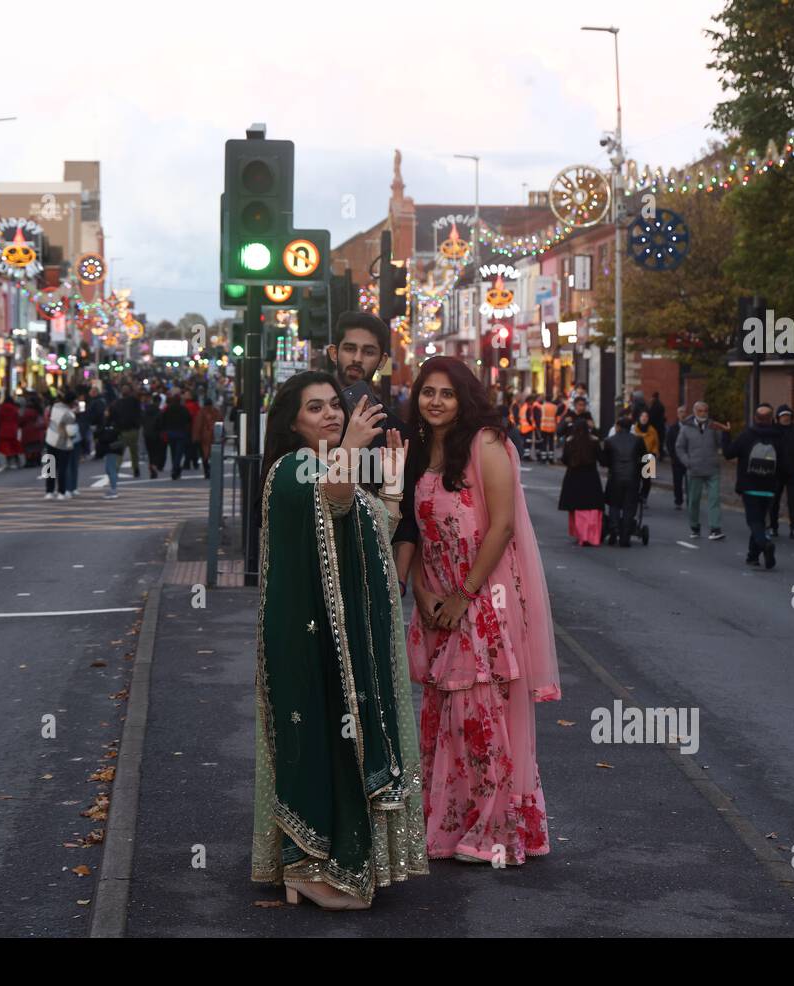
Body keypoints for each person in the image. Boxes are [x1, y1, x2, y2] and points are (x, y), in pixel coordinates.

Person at [251, 370, 427, 910]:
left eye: (334, 404)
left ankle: (320, 866)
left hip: (343, 639)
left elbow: (372, 523)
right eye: (314, 408)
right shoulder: (290, 470)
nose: (329, 414)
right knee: (322, 741)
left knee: (340, 740)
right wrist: (352, 446)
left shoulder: (330, 464)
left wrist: (392, 483)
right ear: (293, 422)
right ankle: (306, 866)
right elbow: (337, 499)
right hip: (309, 641)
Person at [404, 355, 559, 865]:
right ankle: (451, 825)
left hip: (481, 596)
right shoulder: (419, 448)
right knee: (443, 716)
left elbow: (503, 527)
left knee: (480, 715)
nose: (436, 401)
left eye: (446, 393)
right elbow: (418, 532)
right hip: (437, 597)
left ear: (464, 397)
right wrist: (424, 594)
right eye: (428, 392)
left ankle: (495, 830)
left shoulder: (486, 443)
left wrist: (463, 595)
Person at [326, 311, 419, 584]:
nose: (357, 358)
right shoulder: (309, 419)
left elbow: (408, 517)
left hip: (370, 574)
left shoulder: (396, 431)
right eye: (349, 349)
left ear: (382, 361)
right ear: (334, 352)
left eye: (368, 351)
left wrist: (398, 580)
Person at [722, 403, 781, 569]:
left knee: (754, 521)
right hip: (769, 486)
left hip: (750, 486)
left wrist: (726, 434)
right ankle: (752, 556)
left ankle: (765, 544)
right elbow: (784, 461)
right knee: (760, 521)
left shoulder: (747, 435)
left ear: (755, 418)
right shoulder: (778, 437)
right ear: (771, 419)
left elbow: (728, 453)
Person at [675, 401, 728, 541]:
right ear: (694, 412)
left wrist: (723, 432)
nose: (704, 413)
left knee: (714, 499)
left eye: (706, 410)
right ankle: (694, 526)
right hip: (695, 469)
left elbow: (720, 443)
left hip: (712, 468)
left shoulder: (713, 426)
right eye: (700, 411)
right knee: (693, 501)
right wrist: (688, 462)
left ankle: (715, 529)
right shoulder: (686, 428)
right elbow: (679, 447)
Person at [558, 418, 605, 546]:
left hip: (573, 477)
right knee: (591, 507)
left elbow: (565, 459)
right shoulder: (594, 441)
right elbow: (602, 459)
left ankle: (581, 534)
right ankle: (591, 534)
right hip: (591, 477)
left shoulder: (570, 442)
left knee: (577, 507)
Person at [601, 415, 646, 546]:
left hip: (615, 477)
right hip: (633, 477)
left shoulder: (609, 441)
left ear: (618, 427)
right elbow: (647, 459)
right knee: (629, 507)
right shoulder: (638, 440)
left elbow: (605, 461)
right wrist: (646, 481)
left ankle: (614, 528)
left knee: (614, 505)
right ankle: (625, 536)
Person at [770, 404, 794, 540]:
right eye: (783, 416)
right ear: (778, 418)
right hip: (776, 472)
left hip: (793, 471)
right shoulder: (773, 431)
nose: (786, 418)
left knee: (793, 501)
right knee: (774, 501)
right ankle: (773, 527)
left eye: (788, 415)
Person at [44, 392, 78, 499]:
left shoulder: (55, 407)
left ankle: (49, 492)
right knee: (62, 468)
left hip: (50, 439)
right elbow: (72, 433)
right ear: (72, 402)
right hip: (62, 443)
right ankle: (61, 492)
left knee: (51, 467)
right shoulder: (69, 415)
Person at [112, 384, 143, 478]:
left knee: (120, 452)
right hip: (133, 430)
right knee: (134, 451)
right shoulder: (135, 401)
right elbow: (139, 413)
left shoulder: (117, 403)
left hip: (122, 430)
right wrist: (138, 425)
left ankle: (116, 469)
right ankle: (136, 469)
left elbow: (114, 417)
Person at [160, 394, 192, 479]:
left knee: (173, 451)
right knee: (179, 452)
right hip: (181, 432)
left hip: (171, 432)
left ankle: (175, 468)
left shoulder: (168, 409)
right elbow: (189, 419)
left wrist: (164, 430)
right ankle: (175, 468)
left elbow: (163, 420)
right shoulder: (183, 409)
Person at [94, 408, 124, 499]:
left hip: (112, 448)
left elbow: (107, 435)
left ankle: (114, 490)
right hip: (110, 448)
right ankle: (113, 489)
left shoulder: (112, 423)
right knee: (109, 469)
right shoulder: (109, 422)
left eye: (107, 411)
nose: (105, 412)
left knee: (111, 469)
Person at [633, 409, 659, 505]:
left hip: (649, 456)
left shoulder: (652, 430)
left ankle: (644, 496)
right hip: (636, 457)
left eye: (646, 416)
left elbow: (656, 444)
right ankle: (635, 496)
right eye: (642, 416)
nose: (644, 418)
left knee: (647, 480)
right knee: (635, 478)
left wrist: (654, 453)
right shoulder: (634, 430)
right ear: (639, 418)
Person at [192, 396, 222, 478]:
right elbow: (220, 422)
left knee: (204, 455)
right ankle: (212, 469)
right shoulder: (216, 412)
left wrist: (195, 437)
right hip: (215, 435)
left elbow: (198, 425)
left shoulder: (201, 412)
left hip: (204, 437)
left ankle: (207, 470)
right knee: (214, 454)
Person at [666, 404, 687, 509]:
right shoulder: (673, 428)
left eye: (684, 412)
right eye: (680, 412)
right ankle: (678, 501)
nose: (682, 414)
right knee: (677, 482)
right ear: (677, 415)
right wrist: (673, 456)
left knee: (690, 483)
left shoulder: (690, 427)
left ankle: (691, 501)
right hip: (677, 460)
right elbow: (669, 444)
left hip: (689, 460)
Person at [0, 394, 22, 471]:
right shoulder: (14, 408)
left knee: (5, 447)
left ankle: (6, 463)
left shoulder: (1, 408)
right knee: (13, 446)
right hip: (12, 428)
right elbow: (17, 418)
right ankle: (15, 462)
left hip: (3, 429)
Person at [142, 392, 165, 478]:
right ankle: (154, 466)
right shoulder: (159, 411)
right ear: (159, 402)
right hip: (156, 434)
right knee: (156, 451)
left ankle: (151, 465)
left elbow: (143, 420)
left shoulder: (146, 410)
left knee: (150, 452)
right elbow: (160, 423)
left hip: (147, 433)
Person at [20, 395, 46, 468]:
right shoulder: (39, 410)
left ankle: (30, 461)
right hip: (38, 432)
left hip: (27, 432)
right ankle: (37, 460)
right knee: (36, 447)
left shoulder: (26, 411)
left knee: (28, 447)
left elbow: (21, 420)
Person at [649, 392, 667, 458]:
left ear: (654, 398)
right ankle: (661, 454)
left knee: (656, 441)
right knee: (660, 441)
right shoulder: (661, 405)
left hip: (655, 427)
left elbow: (652, 417)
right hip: (661, 427)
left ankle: (659, 454)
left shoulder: (654, 406)